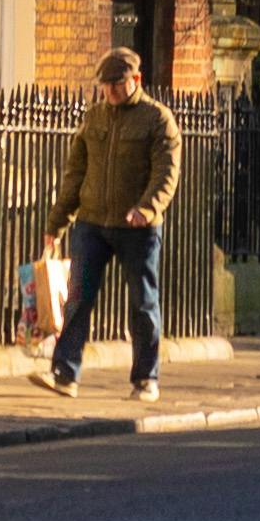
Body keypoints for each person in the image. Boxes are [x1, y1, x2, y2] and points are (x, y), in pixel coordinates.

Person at [45, 45, 180, 397]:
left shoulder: (158, 119)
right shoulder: (95, 117)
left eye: (117, 85)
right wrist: (56, 224)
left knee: (142, 303)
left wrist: (146, 209)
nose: (110, 92)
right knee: (77, 299)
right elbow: (75, 173)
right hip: (92, 222)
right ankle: (65, 373)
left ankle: (145, 379)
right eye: (105, 86)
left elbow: (166, 174)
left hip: (138, 228)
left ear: (136, 80)